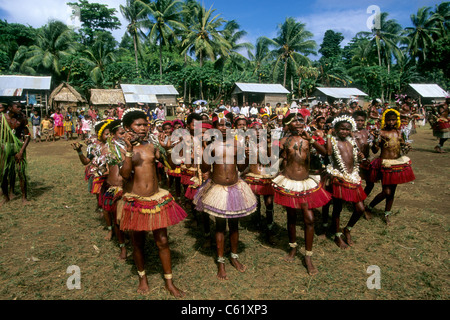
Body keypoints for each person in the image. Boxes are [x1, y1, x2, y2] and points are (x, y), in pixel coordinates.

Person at [117, 108, 186, 296]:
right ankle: (142, 278)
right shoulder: (121, 148)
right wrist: (130, 152)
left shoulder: (152, 146)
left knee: (163, 241)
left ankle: (169, 282)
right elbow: (124, 174)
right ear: (127, 128)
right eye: (138, 125)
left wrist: (169, 149)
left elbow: (172, 165)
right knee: (138, 243)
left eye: (145, 124)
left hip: (156, 199)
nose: (143, 128)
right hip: (136, 200)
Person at [193, 110, 257, 280]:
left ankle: (234, 257)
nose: (223, 127)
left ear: (231, 127)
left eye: (226, 124)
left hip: (235, 187)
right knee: (220, 226)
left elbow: (242, 168)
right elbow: (206, 169)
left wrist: (246, 157)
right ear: (214, 127)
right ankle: (221, 262)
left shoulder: (236, 145)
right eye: (220, 124)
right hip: (218, 189)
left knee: (234, 225)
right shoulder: (212, 146)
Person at [272, 112, 331, 275]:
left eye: (301, 122)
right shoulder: (284, 141)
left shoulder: (308, 139)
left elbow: (325, 152)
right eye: (295, 122)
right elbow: (271, 157)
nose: (298, 124)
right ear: (288, 125)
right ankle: (293, 248)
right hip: (289, 182)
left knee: (309, 219)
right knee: (291, 217)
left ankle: (308, 256)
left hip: (305, 183)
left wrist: (311, 139)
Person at [366, 109, 415, 225]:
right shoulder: (381, 132)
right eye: (389, 120)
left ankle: (387, 213)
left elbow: (402, 147)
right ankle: (369, 207)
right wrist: (376, 141)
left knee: (392, 192)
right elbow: (374, 150)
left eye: (393, 120)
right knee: (386, 191)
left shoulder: (399, 133)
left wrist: (406, 147)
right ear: (385, 120)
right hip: (385, 164)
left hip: (397, 164)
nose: (391, 122)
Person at [325, 115, 367, 249]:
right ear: (336, 129)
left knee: (360, 208)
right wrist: (328, 136)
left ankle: (347, 229)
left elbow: (355, 159)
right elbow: (329, 152)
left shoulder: (352, 142)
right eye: (341, 129)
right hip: (339, 178)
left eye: (347, 129)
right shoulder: (333, 141)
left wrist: (360, 157)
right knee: (337, 208)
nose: (344, 132)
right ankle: (337, 234)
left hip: (353, 177)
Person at [241, 121, 276, 245]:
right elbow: (242, 166)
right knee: (256, 202)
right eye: (254, 130)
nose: (257, 132)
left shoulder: (267, 143)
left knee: (269, 202)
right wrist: (245, 155)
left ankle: (270, 226)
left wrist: (269, 144)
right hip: (253, 176)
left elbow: (273, 159)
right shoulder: (246, 145)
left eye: (259, 130)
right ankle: (257, 223)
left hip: (266, 176)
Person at [0, 101, 31, 206]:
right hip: (4, 147)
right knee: (3, 173)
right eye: (17, 107)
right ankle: (6, 197)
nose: (20, 109)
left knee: (21, 172)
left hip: (18, 147)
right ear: (10, 107)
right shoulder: (2, 118)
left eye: (21, 107)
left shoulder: (22, 120)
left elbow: (28, 137)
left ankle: (24, 198)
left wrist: (21, 151)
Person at [352, 111, 376, 219]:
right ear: (353, 120)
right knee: (357, 185)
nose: (360, 122)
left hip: (366, 161)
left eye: (362, 120)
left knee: (370, 184)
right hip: (355, 162)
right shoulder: (350, 133)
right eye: (358, 120)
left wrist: (376, 142)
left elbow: (375, 150)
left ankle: (360, 201)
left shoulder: (368, 133)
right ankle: (358, 205)